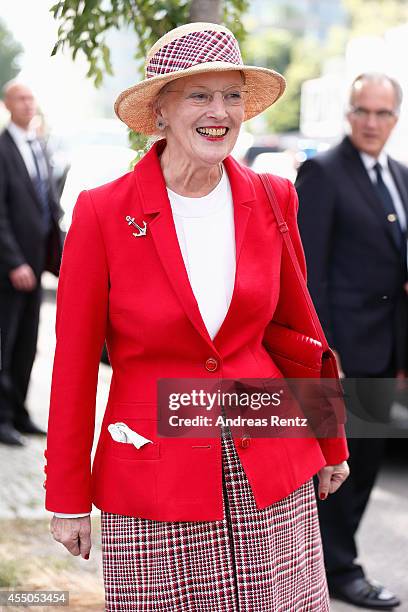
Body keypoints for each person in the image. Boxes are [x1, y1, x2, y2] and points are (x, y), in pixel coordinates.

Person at [45, 23, 349, 611]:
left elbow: (298, 332)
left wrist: (332, 439)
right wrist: (66, 495)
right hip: (155, 479)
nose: (221, 112)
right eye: (199, 95)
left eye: (232, 95)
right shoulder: (102, 212)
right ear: (160, 111)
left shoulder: (272, 196)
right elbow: (74, 365)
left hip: (269, 466)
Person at [296, 72, 408, 609]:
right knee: (339, 468)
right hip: (341, 354)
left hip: (385, 350)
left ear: (395, 118)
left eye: (382, 113)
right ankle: (338, 571)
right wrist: (323, 356)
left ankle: (328, 564)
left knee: (365, 466)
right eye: (362, 110)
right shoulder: (321, 173)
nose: (371, 122)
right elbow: (307, 274)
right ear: (347, 113)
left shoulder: (400, 176)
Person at [0, 81, 63, 446]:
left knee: (28, 344)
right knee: (5, 345)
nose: (28, 104)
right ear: (8, 104)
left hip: (36, 266)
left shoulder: (38, 144)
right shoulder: (3, 148)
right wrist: (13, 262)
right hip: (9, 271)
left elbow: (48, 207)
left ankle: (21, 413)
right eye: (21, 98)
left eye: (31, 98)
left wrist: (58, 258)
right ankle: (2, 417)